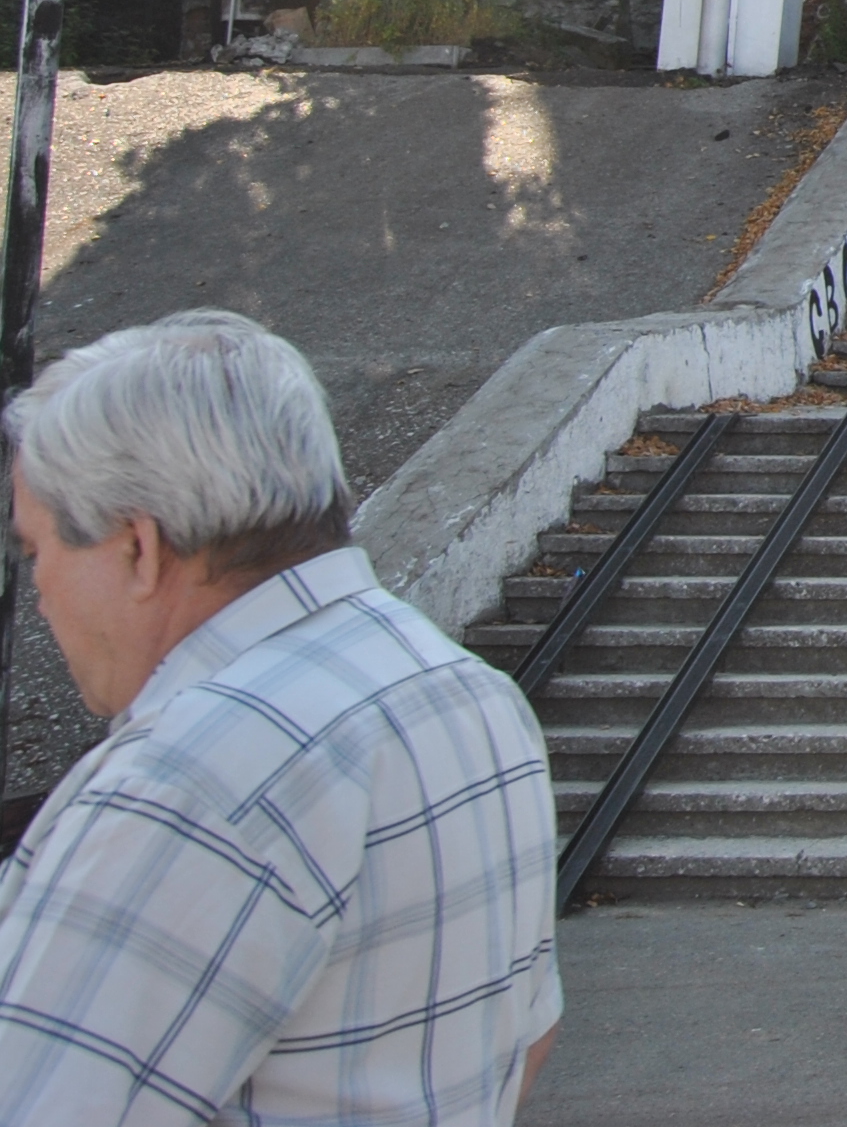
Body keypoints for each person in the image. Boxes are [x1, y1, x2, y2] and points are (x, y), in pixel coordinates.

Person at [0, 310, 561, 1121]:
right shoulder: (470, 696)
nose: (41, 595)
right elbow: (529, 1039)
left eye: (37, 551)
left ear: (138, 548)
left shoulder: (185, 782)